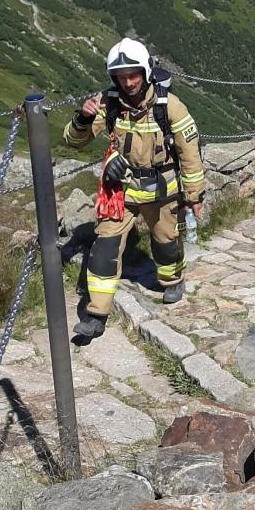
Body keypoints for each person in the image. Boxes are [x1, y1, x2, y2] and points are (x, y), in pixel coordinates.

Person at [63, 38, 205, 341]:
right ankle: (96, 314)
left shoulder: (170, 106)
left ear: (145, 72)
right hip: (121, 192)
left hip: (161, 191)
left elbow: (190, 152)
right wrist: (83, 118)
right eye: (121, 76)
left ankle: (172, 280)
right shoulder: (109, 103)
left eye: (133, 75)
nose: (128, 82)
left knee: (165, 242)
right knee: (103, 247)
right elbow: (74, 141)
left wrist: (194, 195)